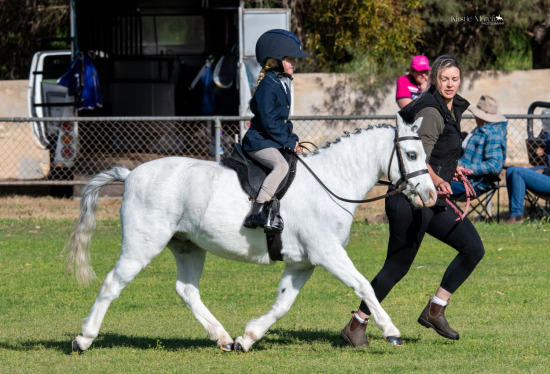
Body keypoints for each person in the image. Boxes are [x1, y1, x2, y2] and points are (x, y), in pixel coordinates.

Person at [340, 55, 485, 347]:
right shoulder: (431, 111)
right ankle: (356, 325)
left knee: (472, 248)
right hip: (410, 199)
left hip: (432, 197)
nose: (450, 84)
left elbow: (436, 152)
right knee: (397, 267)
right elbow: (417, 159)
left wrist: (450, 169)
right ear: (433, 79)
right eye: (444, 78)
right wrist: (438, 177)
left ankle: (436, 309)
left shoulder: (449, 107)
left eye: (455, 79)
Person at [241, 29, 307, 231]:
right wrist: (287, 142)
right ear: (276, 61)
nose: (293, 64)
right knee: (281, 166)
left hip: (271, 139)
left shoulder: (281, 83)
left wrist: (293, 139)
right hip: (259, 142)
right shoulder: (268, 86)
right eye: (289, 60)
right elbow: (269, 122)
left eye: (294, 60)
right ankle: (257, 212)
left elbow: (282, 121)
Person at [450, 95, 508, 197]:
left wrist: (464, 168)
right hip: (460, 177)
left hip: (473, 183)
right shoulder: (481, 128)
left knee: (436, 187)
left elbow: (494, 165)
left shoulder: (493, 133)